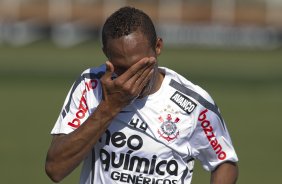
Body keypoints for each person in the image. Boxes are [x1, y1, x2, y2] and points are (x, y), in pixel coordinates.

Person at [45, 6, 239, 184]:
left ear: (158, 47)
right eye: (121, 68)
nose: (131, 76)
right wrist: (109, 107)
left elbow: (224, 162)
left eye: (141, 65)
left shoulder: (192, 102)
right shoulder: (91, 85)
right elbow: (55, 169)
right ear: (106, 54)